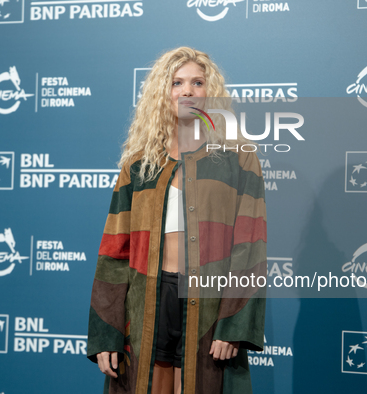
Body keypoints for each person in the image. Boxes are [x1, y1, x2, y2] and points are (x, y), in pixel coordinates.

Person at [87, 47, 267, 394]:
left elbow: (251, 248)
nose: (187, 91)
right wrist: (106, 332)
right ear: (162, 93)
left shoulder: (239, 160)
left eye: (197, 82)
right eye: (177, 82)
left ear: (209, 92)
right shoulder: (138, 165)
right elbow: (114, 253)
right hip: (148, 300)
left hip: (209, 303)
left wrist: (233, 324)